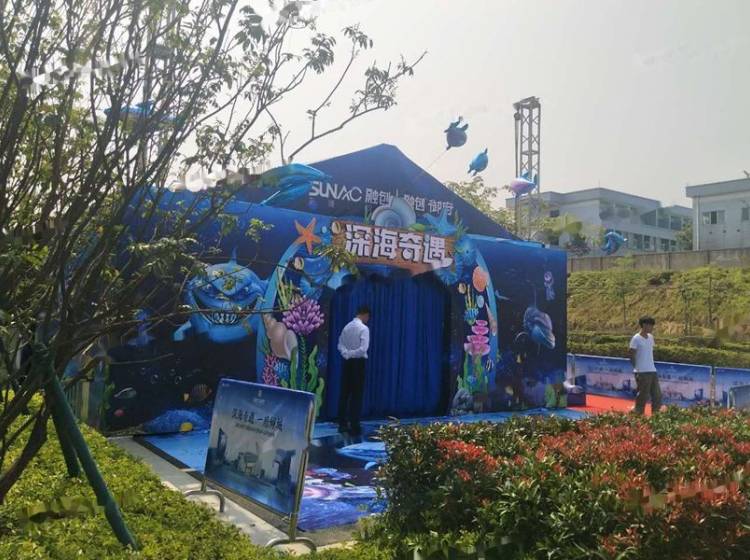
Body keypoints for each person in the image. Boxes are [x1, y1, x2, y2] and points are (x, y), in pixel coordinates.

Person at [337, 305, 370, 436]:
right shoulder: (364, 329)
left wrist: (346, 354)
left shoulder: (346, 327)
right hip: (358, 363)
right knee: (357, 395)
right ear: (365, 315)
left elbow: (340, 344)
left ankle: (342, 424)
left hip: (347, 362)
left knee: (344, 393)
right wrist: (351, 354)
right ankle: (354, 425)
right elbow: (363, 349)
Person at [629, 316, 662, 415]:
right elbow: (631, 354)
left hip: (652, 370)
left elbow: (651, 352)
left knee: (657, 395)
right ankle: (638, 415)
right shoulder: (636, 338)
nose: (652, 328)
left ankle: (656, 416)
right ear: (644, 325)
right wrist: (637, 368)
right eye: (650, 325)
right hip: (642, 372)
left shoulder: (651, 337)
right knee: (643, 396)